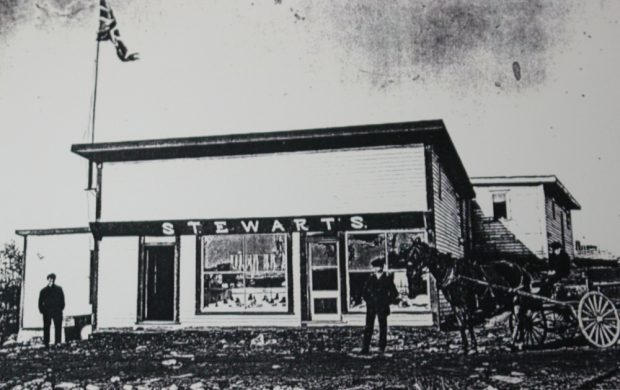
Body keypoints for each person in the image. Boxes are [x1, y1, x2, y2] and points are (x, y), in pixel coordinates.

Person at [361, 257, 399, 354]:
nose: (375, 268)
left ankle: (382, 346)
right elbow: (364, 292)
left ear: (381, 267)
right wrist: (368, 301)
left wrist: (387, 301)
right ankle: (365, 347)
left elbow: (394, 293)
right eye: (374, 267)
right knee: (368, 327)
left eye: (377, 266)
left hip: (382, 306)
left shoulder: (387, 279)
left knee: (383, 327)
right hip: (371, 307)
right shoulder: (370, 278)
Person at [38, 273, 65, 347]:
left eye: (52, 279)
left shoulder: (59, 289)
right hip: (47, 312)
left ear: (54, 280)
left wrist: (60, 309)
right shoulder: (43, 291)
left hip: (57, 311)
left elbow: (62, 300)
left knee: (58, 326)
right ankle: (46, 342)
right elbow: (40, 302)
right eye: (49, 279)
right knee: (46, 327)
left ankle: (58, 342)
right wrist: (42, 310)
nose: (51, 280)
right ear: (47, 280)